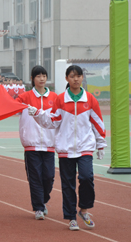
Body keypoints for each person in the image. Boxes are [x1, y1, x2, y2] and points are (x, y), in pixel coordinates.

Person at [28, 65, 106, 231]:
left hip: (85, 147)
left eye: (78, 76)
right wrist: (37, 114)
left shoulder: (90, 99)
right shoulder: (61, 99)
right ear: (66, 79)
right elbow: (52, 121)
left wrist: (101, 144)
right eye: (72, 76)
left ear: (82, 78)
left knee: (86, 177)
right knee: (68, 185)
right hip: (65, 149)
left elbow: (98, 122)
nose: (76, 79)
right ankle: (71, 217)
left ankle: (83, 210)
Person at [16, 66, 57, 220]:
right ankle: (38, 207)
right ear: (32, 78)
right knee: (35, 178)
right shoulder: (24, 97)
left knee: (48, 177)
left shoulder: (54, 97)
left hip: (49, 144)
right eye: (38, 76)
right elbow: (11, 108)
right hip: (31, 144)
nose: (41, 78)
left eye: (44, 75)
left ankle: (43, 200)